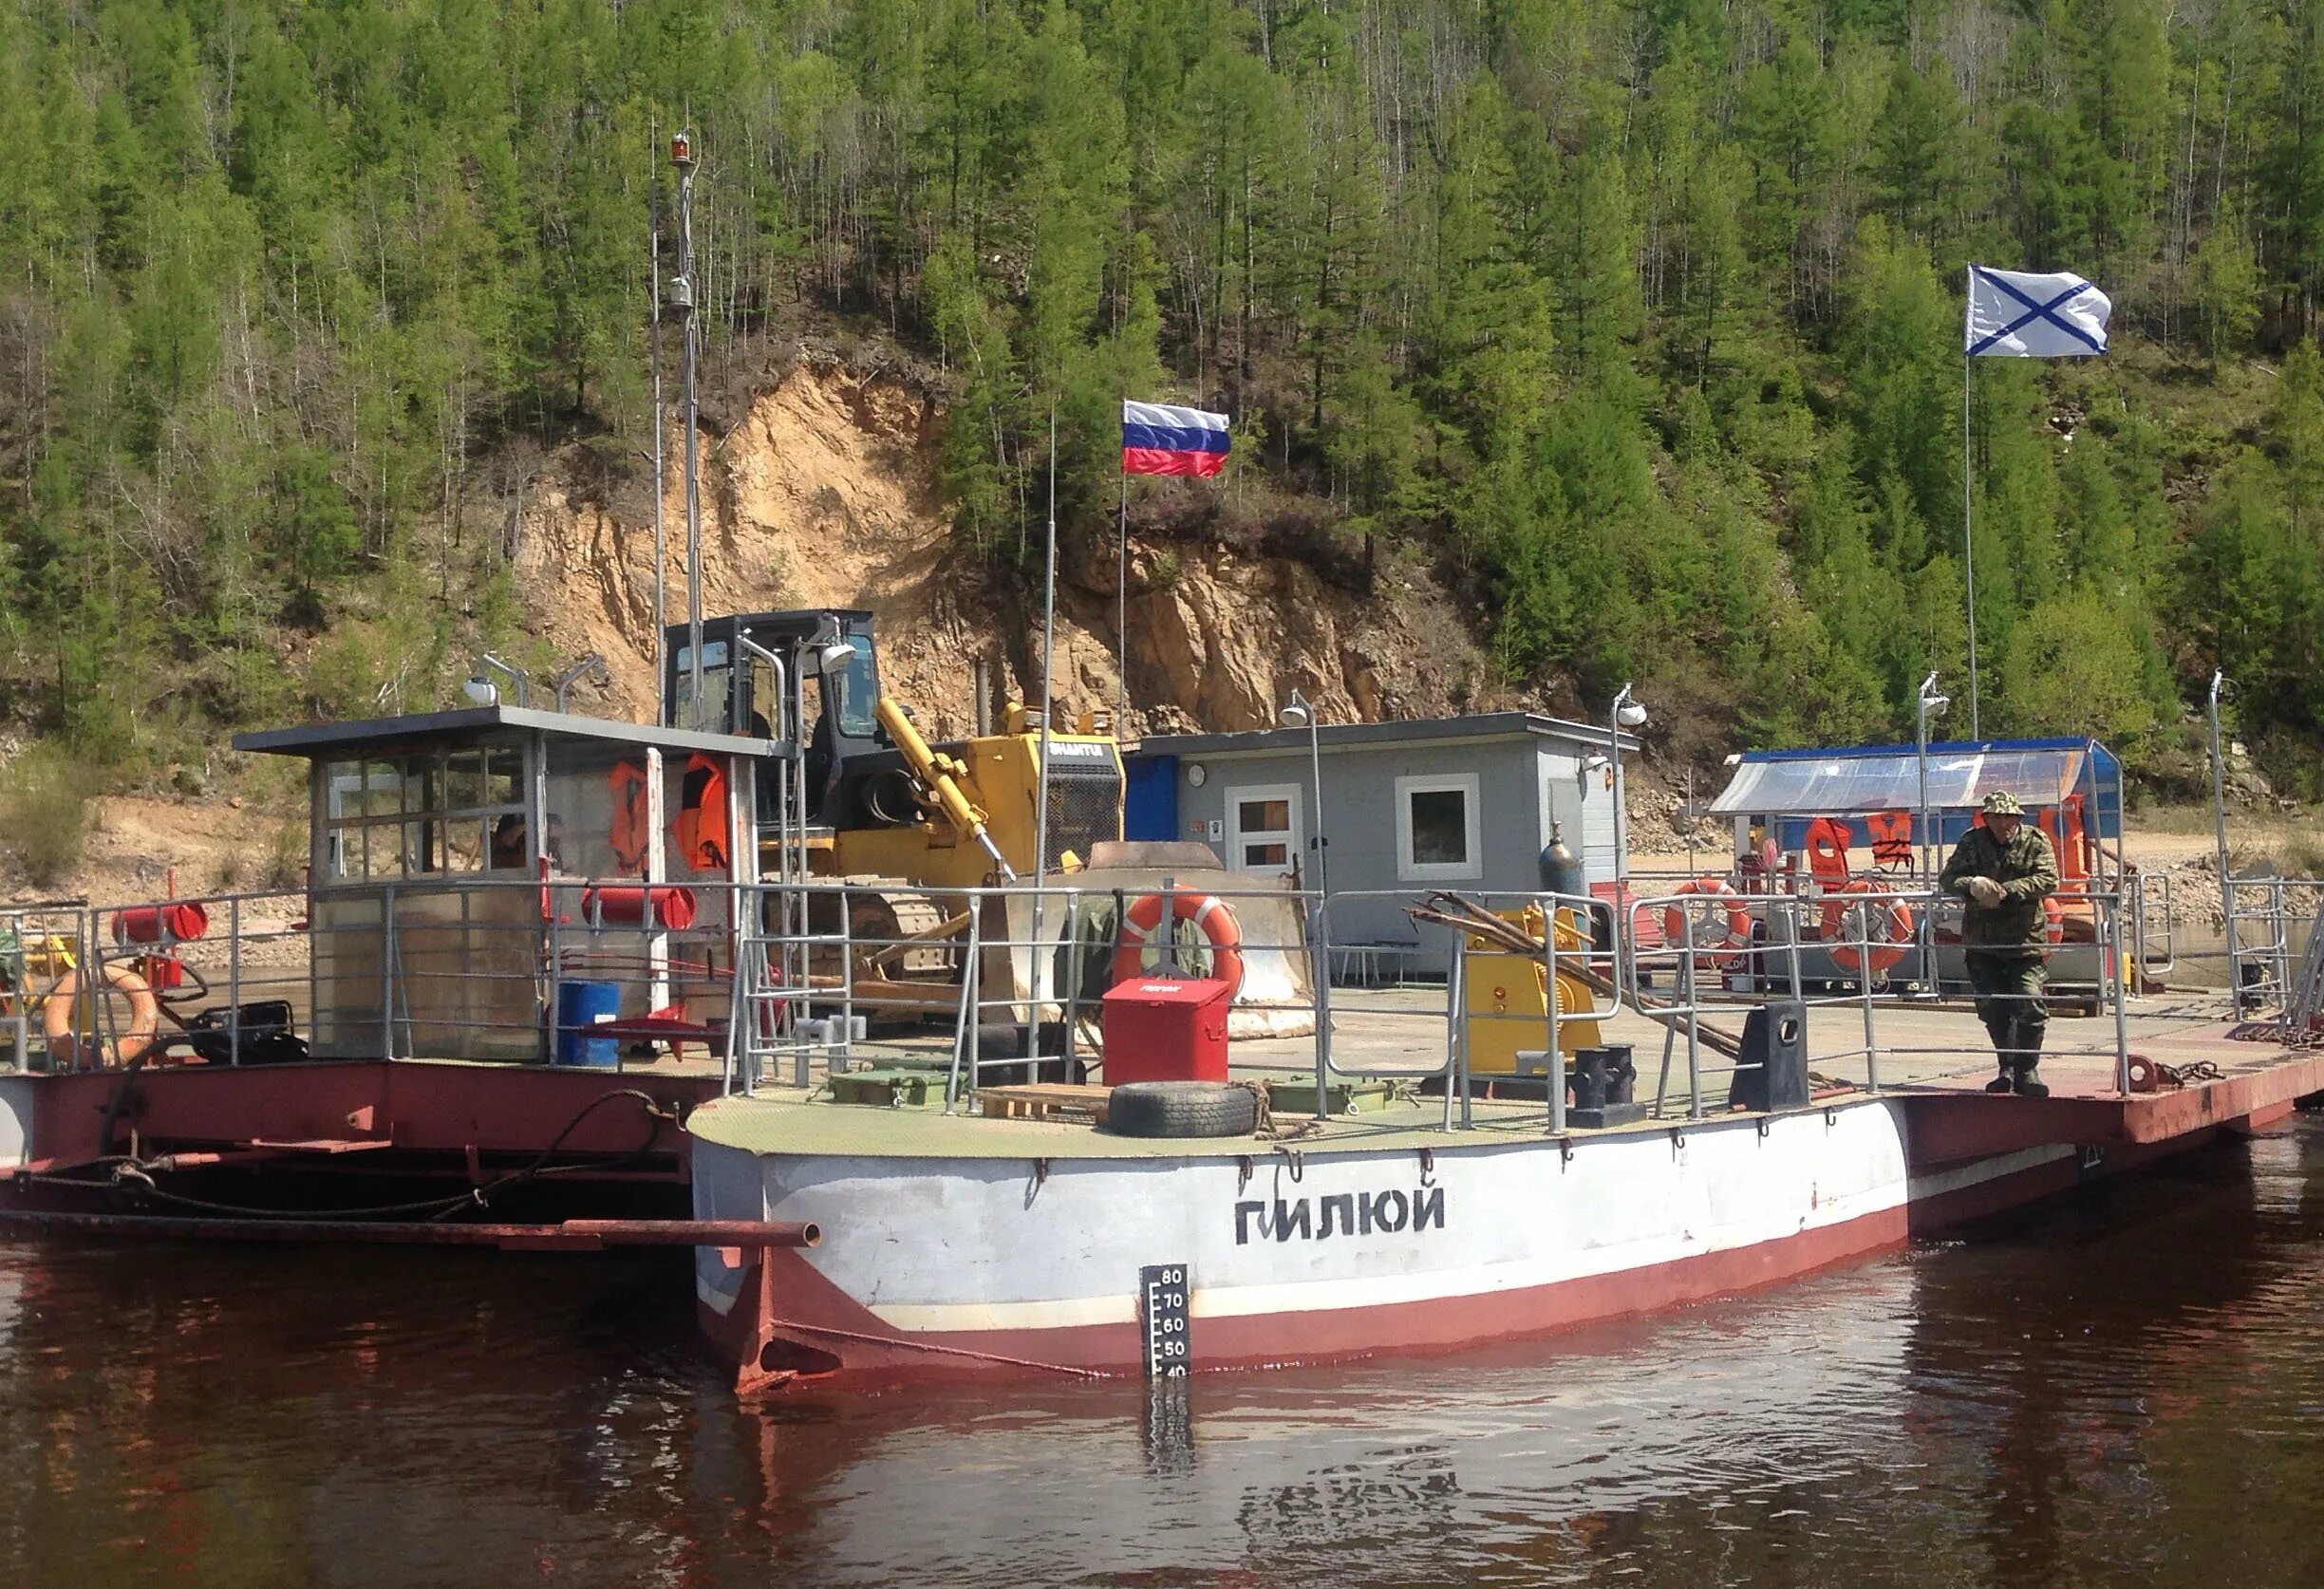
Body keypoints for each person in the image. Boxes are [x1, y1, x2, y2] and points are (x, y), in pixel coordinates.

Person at [1939, 791, 2060, 1097]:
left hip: (2024, 943)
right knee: (1993, 1008)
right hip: (1983, 943)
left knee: (2030, 1003)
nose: (2002, 823)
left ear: (2018, 818)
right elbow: (1949, 877)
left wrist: (2008, 890)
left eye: (2008, 817)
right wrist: (1974, 885)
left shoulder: (2036, 841)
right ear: (1987, 818)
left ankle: (2027, 1070)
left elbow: (2049, 879)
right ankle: (2005, 1068)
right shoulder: (1972, 841)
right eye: (1995, 817)